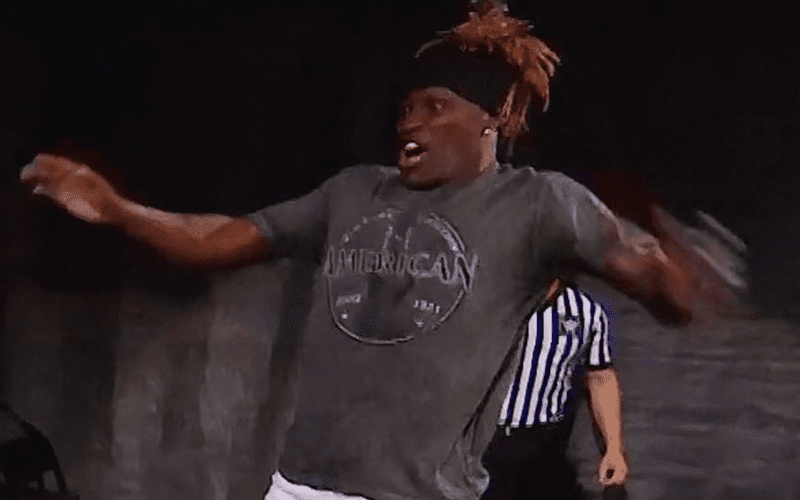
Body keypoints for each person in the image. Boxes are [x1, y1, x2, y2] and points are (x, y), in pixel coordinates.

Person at [19, 2, 748, 498]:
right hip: (300, 486)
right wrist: (118, 210)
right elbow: (219, 237)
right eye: (406, 109)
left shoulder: (537, 204)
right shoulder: (351, 192)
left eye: (436, 109)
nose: (411, 124)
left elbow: (651, 279)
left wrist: (681, 276)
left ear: (490, 122)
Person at [481, 278, 627, 500]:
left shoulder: (586, 312)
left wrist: (613, 449)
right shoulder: (488, 301)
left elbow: (600, 376)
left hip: (544, 446)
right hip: (482, 442)